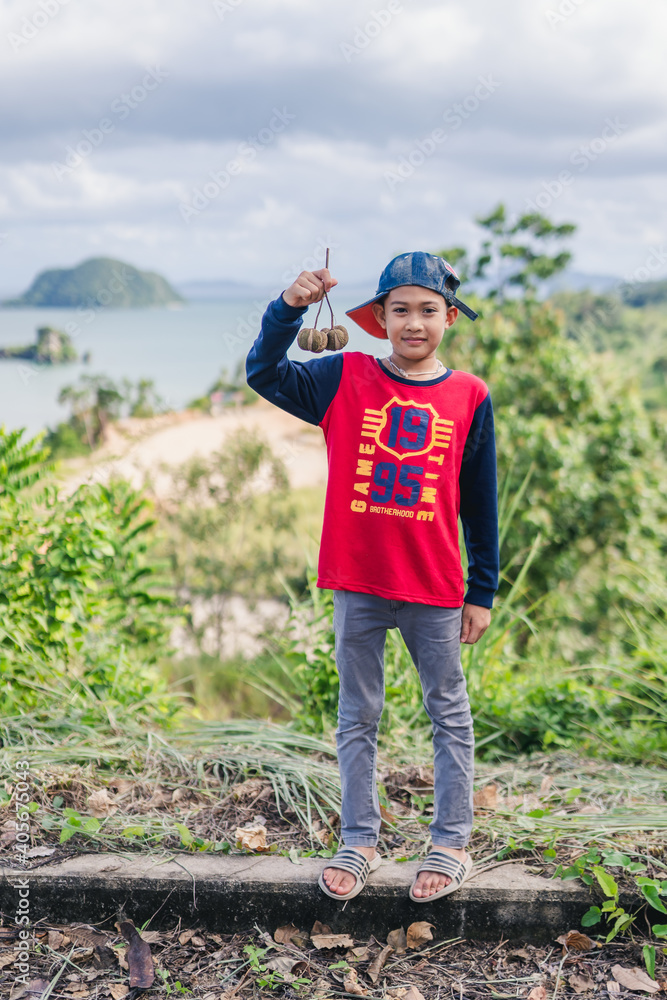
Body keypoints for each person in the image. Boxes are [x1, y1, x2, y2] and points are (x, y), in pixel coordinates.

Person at [246, 251, 498, 902]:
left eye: (427, 310)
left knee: (448, 713)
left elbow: (480, 499)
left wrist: (483, 589)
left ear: (448, 317)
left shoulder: (469, 395)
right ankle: (358, 839)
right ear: (378, 319)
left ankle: (449, 841)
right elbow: (263, 372)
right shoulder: (343, 378)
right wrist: (288, 308)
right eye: (400, 310)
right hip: (358, 581)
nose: (413, 323)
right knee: (357, 715)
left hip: (436, 587)